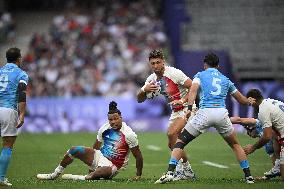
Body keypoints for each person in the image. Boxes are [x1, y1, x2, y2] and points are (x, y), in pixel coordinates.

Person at [155, 52, 255, 184]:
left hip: (204, 113)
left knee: (180, 142)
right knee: (235, 145)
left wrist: (189, 109)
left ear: (205, 64)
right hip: (221, 114)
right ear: (218, 65)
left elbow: (193, 90)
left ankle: (170, 173)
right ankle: (248, 177)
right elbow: (241, 99)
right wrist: (249, 101)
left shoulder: (200, 75)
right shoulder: (226, 79)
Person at [37, 101, 143, 181]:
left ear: (121, 118)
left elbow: (138, 155)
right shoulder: (104, 128)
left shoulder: (129, 134)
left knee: (99, 173)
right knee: (74, 150)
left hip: (113, 166)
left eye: (116, 119)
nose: (113, 122)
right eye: (111, 119)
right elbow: (96, 148)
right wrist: (92, 166)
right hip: (100, 156)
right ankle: (54, 175)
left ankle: (81, 177)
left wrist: (138, 175)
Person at [136, 49, 195, 180]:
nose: (156, 65)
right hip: (175, 111)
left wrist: (183, 100)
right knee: (172, 144)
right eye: (153, 63)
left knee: (172, 134)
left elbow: (193, 86)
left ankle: (178, 170)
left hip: (188, 107)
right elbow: (139, 99)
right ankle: (188, 171)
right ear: (150, 64)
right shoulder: (151, 80)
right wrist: (143, 90)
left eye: (158, 62)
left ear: (163, 62)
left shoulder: (174, 73)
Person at [0, 48, 28, 186]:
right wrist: (22, 113)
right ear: (19, 59)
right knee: (7, 145)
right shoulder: (21, 73)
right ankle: (1, 177)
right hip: (8, 109)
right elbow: (22, 93)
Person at [244, 89, 284, 180]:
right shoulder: (271, 101)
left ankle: (278, 166)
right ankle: (278, 164)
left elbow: (267, 136)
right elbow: (273, 132)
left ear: (252, 99)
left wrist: (253, 147)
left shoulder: (262, 110)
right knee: (274, 134)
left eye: (249, 102)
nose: (249, 105)